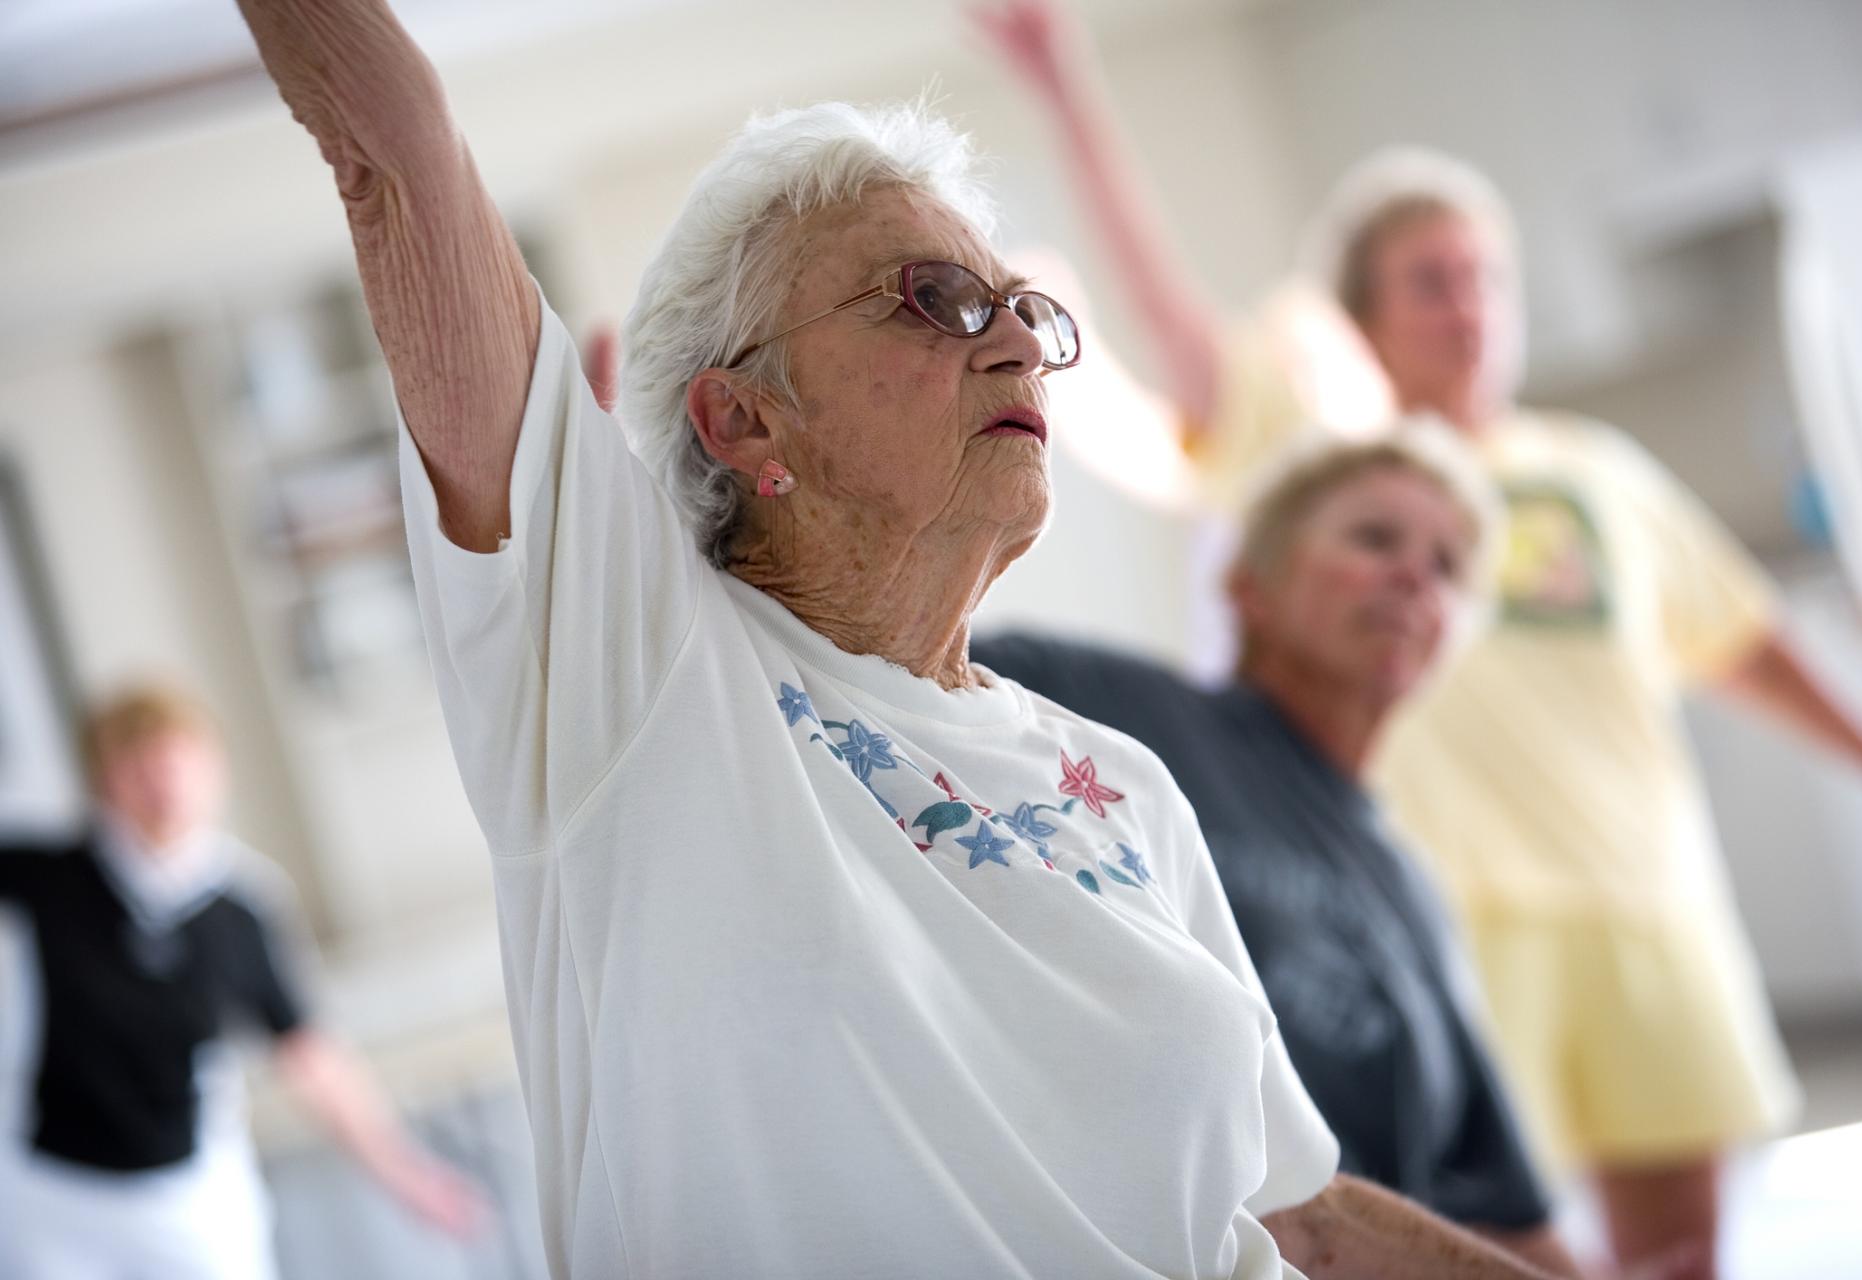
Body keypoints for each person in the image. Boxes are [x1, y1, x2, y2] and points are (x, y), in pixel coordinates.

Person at [233, 3, 1569, 1276]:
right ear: (742, 418)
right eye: (934, 301)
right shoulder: (636, 674)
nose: (1017, 351)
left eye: (1024, 311)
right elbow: (389, 145)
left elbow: (1304, 1217)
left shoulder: (1128, 783)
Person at [976, 3, 1862, 1275]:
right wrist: (1066, 92)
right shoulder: (1325, 464)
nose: (1470, 307)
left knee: (1685, 1251)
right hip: (1461, 925)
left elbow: (1743, 640)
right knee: (1466, 1230)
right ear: (1365, 314)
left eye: (1487, 276)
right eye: (1432, 280)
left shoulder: (1601, 471)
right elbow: (1172, 317)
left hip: (1652, 903)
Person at [976, 427, 1580, 1279]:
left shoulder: (1412, 890)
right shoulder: (1094, 704)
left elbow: (1507, 1213)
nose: (1414, 574)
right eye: (1374, 538)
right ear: (1250, 584)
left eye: (1446, 566)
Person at [0, 684, 484, 1280]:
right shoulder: (44, 881)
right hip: (54, 1192)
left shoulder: (239, 906)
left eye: (177, 763)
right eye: (139, 767)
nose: (163, 786)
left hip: (191, 1196)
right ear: (104, 780)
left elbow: (309, 1052)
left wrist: (403, 1172)